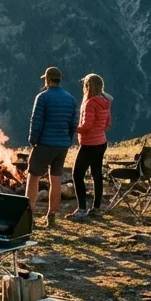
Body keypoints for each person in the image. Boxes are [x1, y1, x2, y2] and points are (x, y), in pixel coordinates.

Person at [26, 66, 78, 227]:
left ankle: (28, 215)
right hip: (62, 145)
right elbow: (73, 124)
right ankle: (52, 216)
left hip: (44, 143)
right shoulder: (71, 99)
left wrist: (33, 140)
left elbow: (36, 122)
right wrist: (67, 140)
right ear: (59, 79)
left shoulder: (42, 97)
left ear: (47, 80)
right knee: (55, 179)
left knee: (33, 177)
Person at [68, 74, 113, 220]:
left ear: (88, 86)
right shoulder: (105, 101)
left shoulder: (90, 103)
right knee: (96, 174)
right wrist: (98, 129)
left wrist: (73, 127)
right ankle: (96, 208)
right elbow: (108, 124)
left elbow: (86, 126)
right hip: (101, 142)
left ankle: (81, 210)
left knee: (77, 174)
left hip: (89, 144)